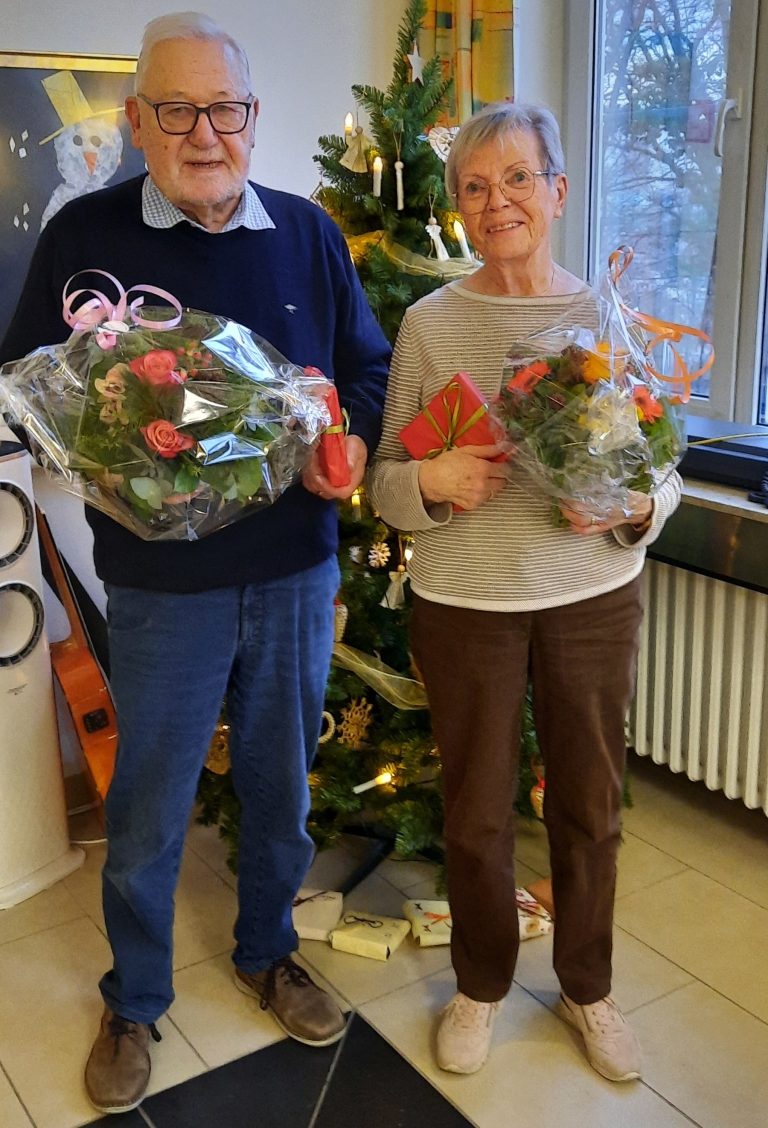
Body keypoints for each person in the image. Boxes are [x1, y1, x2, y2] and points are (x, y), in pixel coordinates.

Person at [0, 13, 389, 1116]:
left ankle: (267, 950)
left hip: (297, 569)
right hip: (163, 589)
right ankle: (136, 996)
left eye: (226, 108)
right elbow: (28, 386)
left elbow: (363, 366)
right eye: (177, 108)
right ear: (136, 121)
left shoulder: (309, 235)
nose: (205, 131)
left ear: (254, 118)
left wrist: (347, 441)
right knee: (153, 802)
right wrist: (101, 444)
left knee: (280, 784)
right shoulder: (85, 234)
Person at [367, 102, 681, 1082]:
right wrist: (432, 483)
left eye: (516, 179)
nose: (496, 201)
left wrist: (635, 503)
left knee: (591, 801)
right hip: (466, 602)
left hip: (592, 594)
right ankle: (481, 985)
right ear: (459, 207)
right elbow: (384, 477)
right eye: (474, 185)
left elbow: (662, 470)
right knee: (476, 812)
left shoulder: (607, 317)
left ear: (556, 191)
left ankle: (588, 986)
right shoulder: (428, 324)